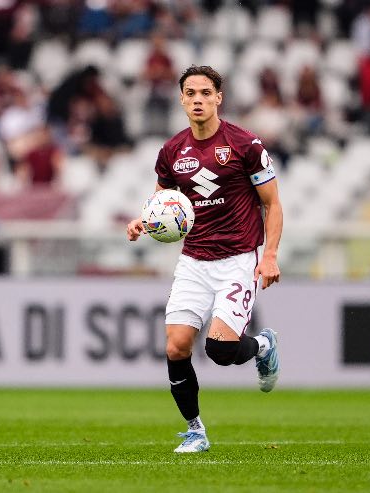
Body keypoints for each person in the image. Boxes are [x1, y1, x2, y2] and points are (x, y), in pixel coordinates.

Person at [126, 65, 282, 454]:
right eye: (191, 93)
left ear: (218, 98)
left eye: (205, 93)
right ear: (181, 99)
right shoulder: (171, 151)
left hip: (239, 258)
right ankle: (195, 431)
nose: (198, 100)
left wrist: (270, 256)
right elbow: (162, 202)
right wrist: (143, 222)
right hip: (194, 260)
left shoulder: (246, 145)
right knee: (176, 346)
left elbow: (273, 204)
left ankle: (262, 345)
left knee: (220, 351)